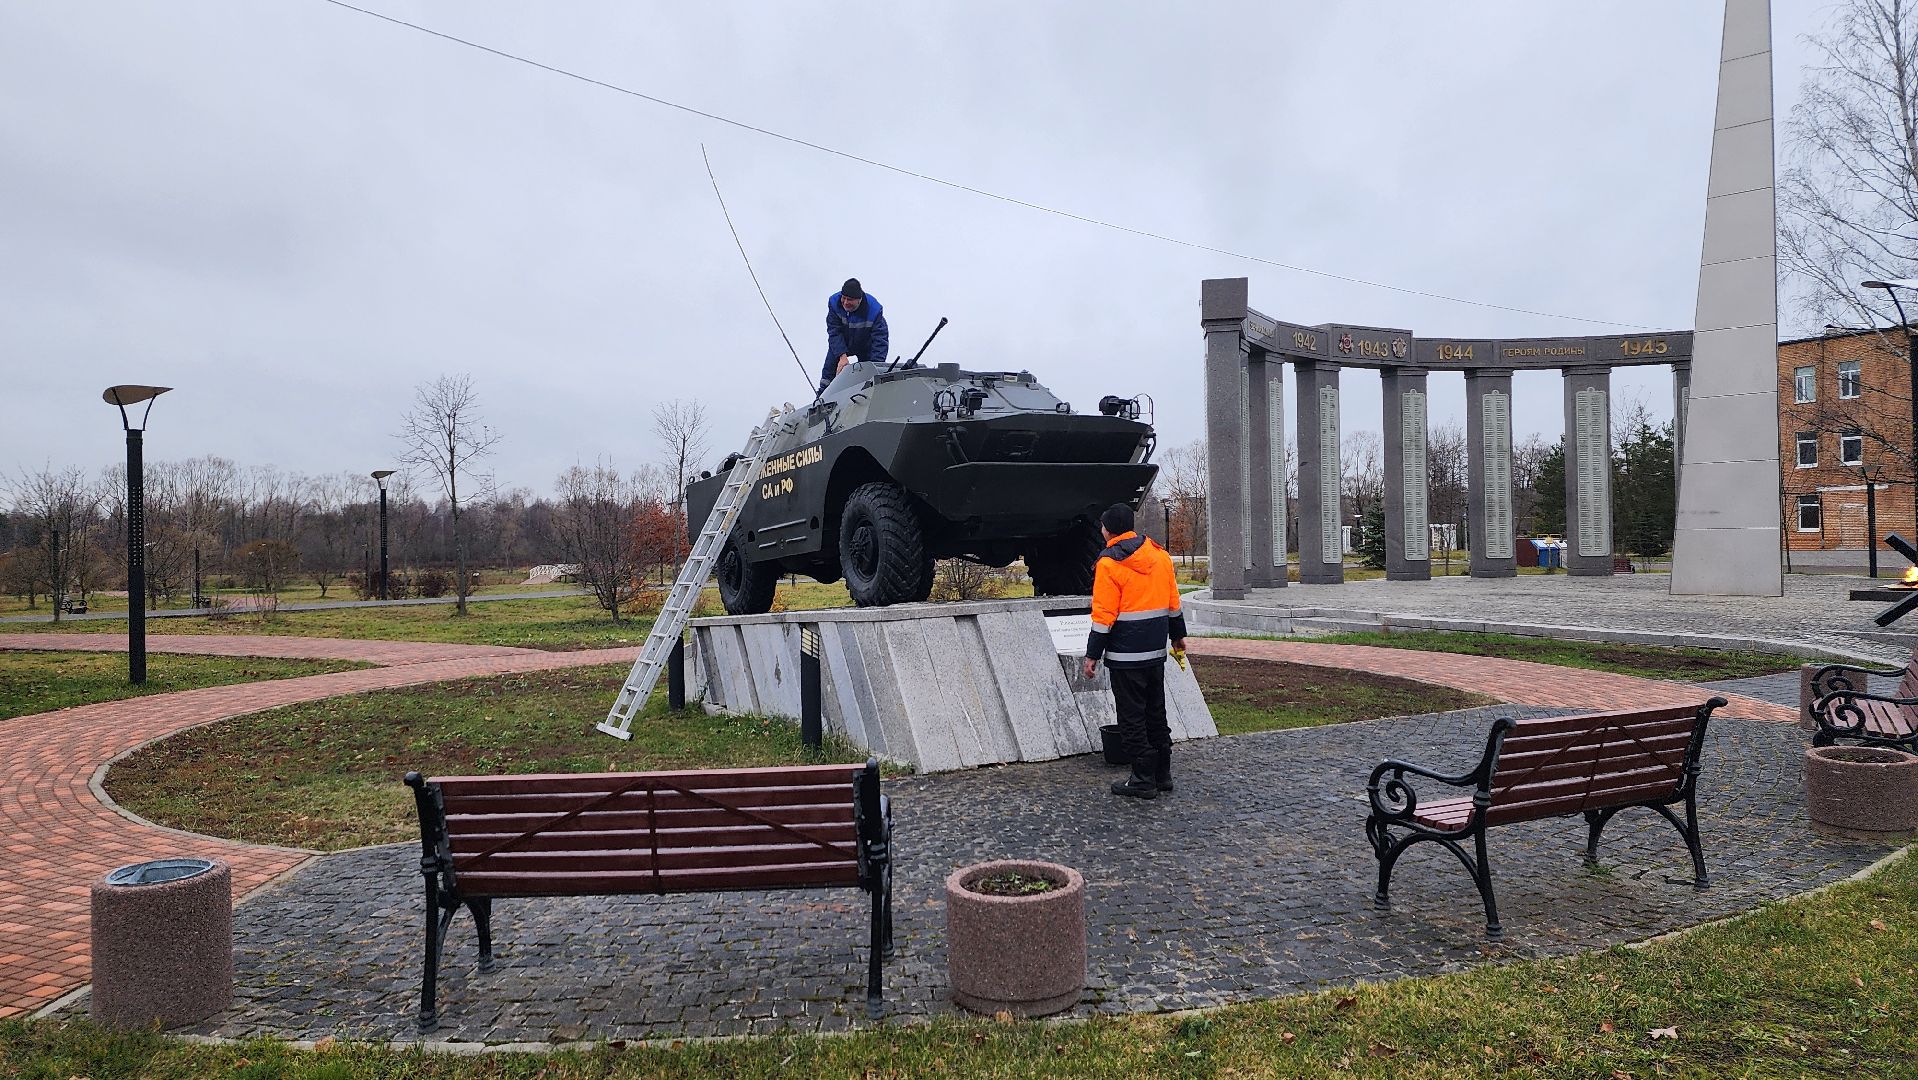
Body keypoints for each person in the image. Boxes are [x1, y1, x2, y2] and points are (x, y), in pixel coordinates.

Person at [1080, 502, 1186, 799]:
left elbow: (1103, 616)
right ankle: (1162, 774)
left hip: (1126, 658)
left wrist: (1091, 656)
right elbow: (1173, 601)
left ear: (1107, 530)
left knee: (1131, 719)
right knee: (1156, 713)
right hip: (1155, 653)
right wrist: (1178, 636)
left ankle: (1142, 779)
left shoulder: (1109, 563)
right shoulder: (1160, 555)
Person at [821, 278, 889, 392]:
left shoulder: (875, 310)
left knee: (869, 376)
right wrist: (842, 356)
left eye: (850, 299)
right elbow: (834, 331)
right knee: (828, 373)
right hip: (842, 343)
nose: (846, 302)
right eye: (844, 298)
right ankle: (821, 397)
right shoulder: (834, 302)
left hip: (865, 346)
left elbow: (880, 342)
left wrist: (875, 367)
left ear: (859, 300)